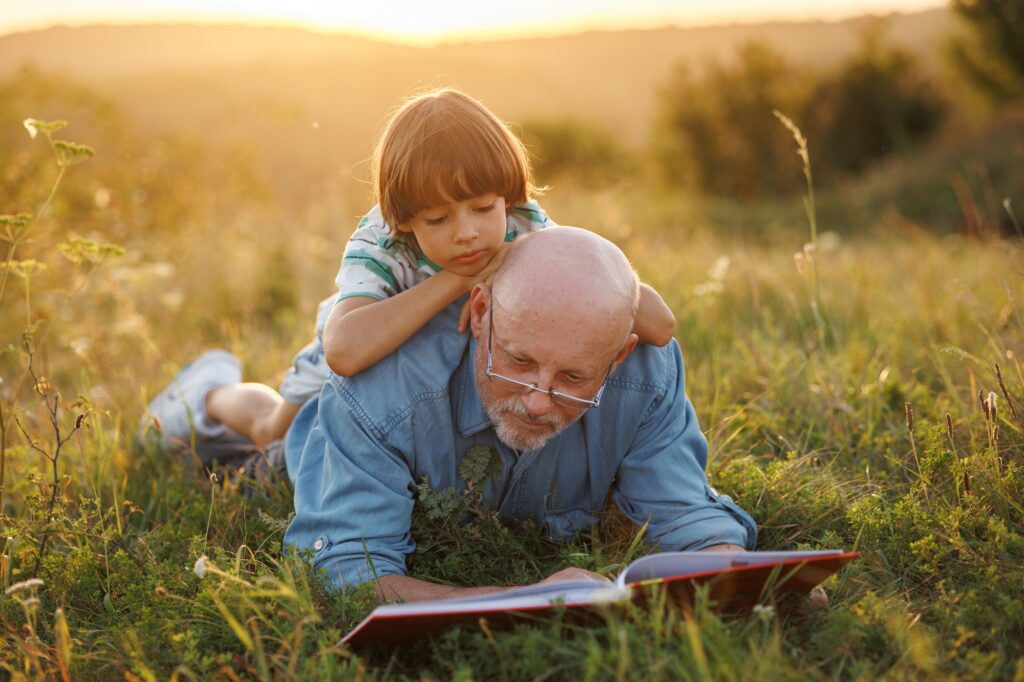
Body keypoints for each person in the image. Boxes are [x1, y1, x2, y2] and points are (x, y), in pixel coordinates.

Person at [141, 88, 675, 454]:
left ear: (507, 198)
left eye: (483, 208)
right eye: (439, 219)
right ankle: (208, 392)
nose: (467, 231)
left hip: (445, 369)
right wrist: (458, 281)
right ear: (404, 220)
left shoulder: (520, 224)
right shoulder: (381, 242)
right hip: (370, 339)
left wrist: (554, 258)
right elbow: (346, 351)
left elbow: (659, 323)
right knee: (271, 431)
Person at [283, 227, 756, 601]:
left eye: (574, 377)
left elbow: (685, 515)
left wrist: (754, 583)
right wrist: (525, 598)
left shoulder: (647, 372)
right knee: (257, 435)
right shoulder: (383, 393)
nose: (537, 401)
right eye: (519, 362)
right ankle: (213, 389)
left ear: (618, 356)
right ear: (482, 308)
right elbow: (344, 575)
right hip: (309, 429)